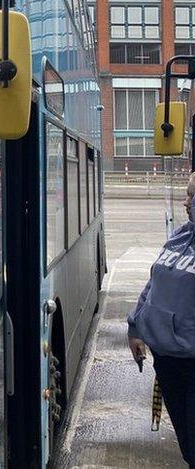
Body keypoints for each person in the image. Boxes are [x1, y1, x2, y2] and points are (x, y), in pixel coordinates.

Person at [128, 172, 195, 467]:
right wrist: (135, 326)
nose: (185, 201)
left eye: (192, 195)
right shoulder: (181, 235)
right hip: (168, 362)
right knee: (189, 447)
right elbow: (153, 283)